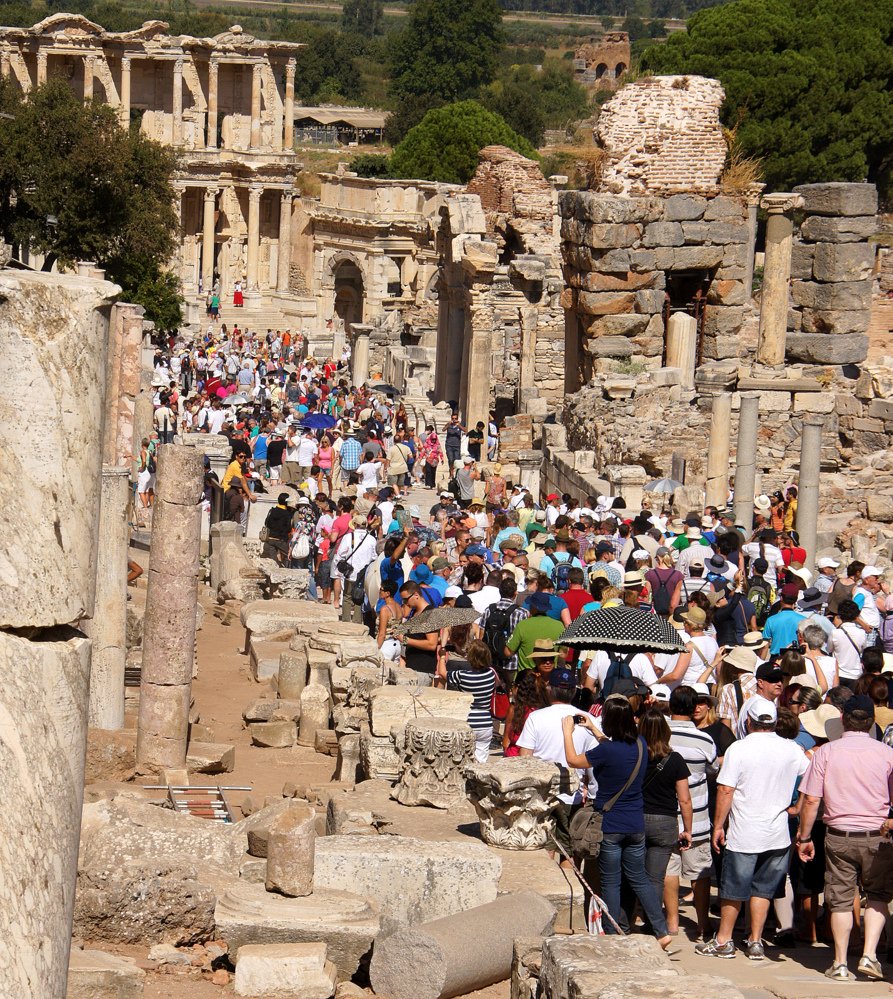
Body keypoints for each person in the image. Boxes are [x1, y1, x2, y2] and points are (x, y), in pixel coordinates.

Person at [696, 696, 808, 962]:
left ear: (749, 721)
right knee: (763, 890)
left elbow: (725, 789)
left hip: (744, 831)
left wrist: (718, 825)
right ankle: (755, 941)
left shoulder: (739, 749)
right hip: (777, 832)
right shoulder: (791, 748)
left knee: (734, 889)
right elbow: (812, 778)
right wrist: (798, 807)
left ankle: (724, 940)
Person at [562, 698, 675, 949]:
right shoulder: (640, 744)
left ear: (610, 722)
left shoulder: (606, 751)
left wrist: (567, 732)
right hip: (635, 823)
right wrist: (592, 729)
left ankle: (613, 933)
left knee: (611, 881)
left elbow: (573, 760)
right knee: (640, 878)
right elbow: (613, 748)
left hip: (611, 824)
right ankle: (661, 930)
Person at [796, 694, 893, 981]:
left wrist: (804, 837)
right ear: (872, 722)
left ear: (842, 720)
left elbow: (811, 800)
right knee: (877, 895)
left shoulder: (827, 752)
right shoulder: (887, 754)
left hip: (838, 834)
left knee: (838, 898)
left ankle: (839, 962)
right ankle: (870, 955)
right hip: (878, 835)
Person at [517, 666, 597, 859]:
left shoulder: (536, 717)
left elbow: (524, 759)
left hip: (542, 795)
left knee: (545, 847)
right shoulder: (588, 720)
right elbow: (594, 762)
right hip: (573, 795)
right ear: (574, 691)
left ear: (549, 689)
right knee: (570, 851)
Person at [665, 685, 718, 939]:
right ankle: (702, 923)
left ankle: (672, 921)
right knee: (700, 871)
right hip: (697, 817)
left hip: (665, 813)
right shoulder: (705, 739)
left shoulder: (659, 735)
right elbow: (713, 768)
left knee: (669, 868)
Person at [638, 707, 694, 918]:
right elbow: (684, 799)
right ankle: (653, 920)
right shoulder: (675, 760)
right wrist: (688, 830)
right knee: (655, 877)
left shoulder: (635, 756)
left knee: (636, 873)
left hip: (636, 818)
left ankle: (636, 915)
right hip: (665, 822)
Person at [446, 639, 497, 762]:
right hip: (485, 722)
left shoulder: (463, 675)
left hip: (467, 720)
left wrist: (442, 658)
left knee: (463, 759)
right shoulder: (491, 674)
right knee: (481, 760)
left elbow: (443, 674)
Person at [505, 591, 565, 674]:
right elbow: (563, 655)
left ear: (533, 607)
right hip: (549, 677)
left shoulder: (523, 625)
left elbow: (508, 652)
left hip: (526, 678)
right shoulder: (559, 626)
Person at [503, 669, 549, 756]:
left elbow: (506, 740)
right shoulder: (542, 710)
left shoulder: (516, 709)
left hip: (515, 757)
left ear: (518, 688)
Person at [762, 583, 806, 655]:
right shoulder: (804, 620)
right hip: (796, 659)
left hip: (776, 659)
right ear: (796, 599)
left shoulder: (771, 620)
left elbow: (765, 645)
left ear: (781, 598)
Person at [262, 492, 294, 565]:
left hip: (270, 539)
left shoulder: (272, 510)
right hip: (280, 540)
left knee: (273, 562)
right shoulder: (287, 514)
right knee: (289, 555)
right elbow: (288, 528)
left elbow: (266, 523)